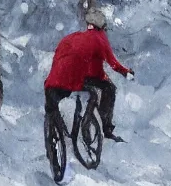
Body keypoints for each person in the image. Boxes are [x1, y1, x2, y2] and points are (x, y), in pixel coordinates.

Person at [44, 8, 134, 142]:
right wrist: (127, 73)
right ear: (102, 27)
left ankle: (56, 128)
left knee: (57, 103)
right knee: (109, 89)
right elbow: (113, 63)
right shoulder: (99, 39)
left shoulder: (71, 38)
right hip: (77, 80)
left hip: (54, 82)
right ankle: (106, 128)